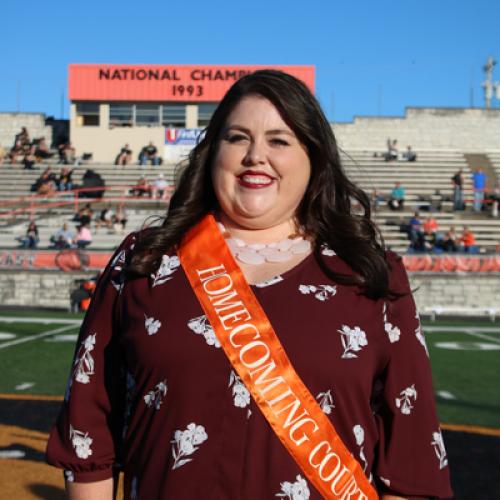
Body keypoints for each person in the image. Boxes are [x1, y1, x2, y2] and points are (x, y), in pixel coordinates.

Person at [46, 70, 452, 499]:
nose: (256, 155)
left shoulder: (371, 276)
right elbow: (89, 431)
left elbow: (411, 459)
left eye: (279, 140)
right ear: (212, 152)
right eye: (238, 137)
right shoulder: (143, 262)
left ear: (312, 157)